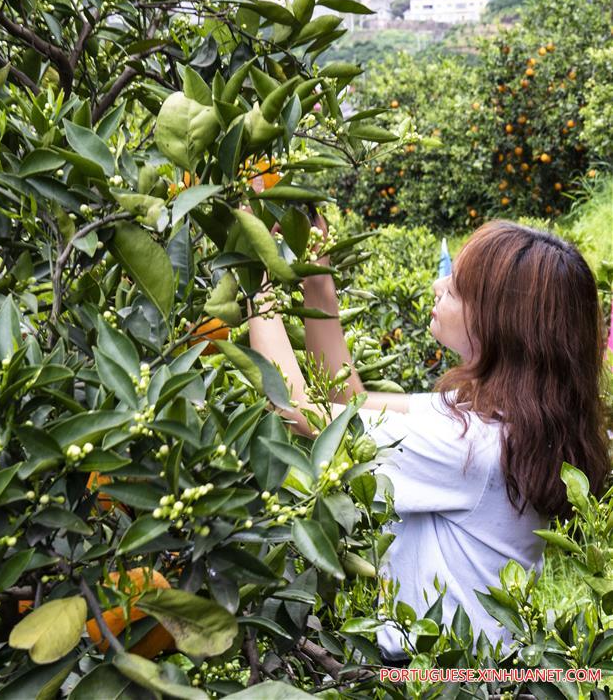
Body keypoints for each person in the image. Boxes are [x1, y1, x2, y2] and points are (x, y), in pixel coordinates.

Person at [247, 212, 611, 660]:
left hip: (436, 679)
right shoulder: (498, 423)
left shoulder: (470, 445)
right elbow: (347, 399)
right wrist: (317, 277)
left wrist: (255, 281)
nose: (439, 287)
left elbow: (297, 410)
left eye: (455, 287)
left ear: (500, 326)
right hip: (473, 673)